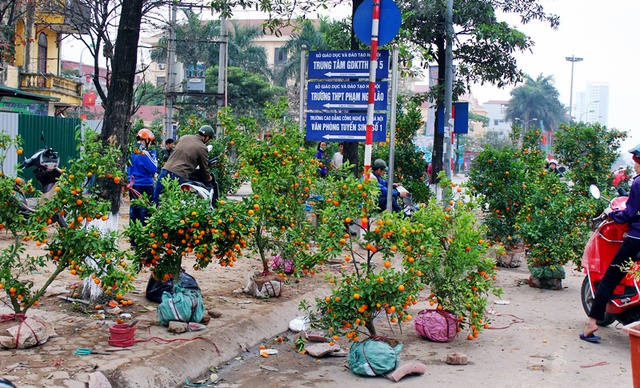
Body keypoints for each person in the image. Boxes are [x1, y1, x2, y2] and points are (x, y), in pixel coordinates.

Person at [581, 144, 640, 342]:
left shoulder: (638, 183)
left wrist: (612, 214)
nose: (634, 165)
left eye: (635, 160)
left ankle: (591, 324)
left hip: (635, 240)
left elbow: (629, 214)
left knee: (609, 278)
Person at [152, 125, 214, 203]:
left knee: (156, 198)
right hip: (179, 174)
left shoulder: (184, 138)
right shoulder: (202, 148)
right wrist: (209, 178)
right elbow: (204, 168)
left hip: (166, 169)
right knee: (176, 202)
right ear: (207, 137)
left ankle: (152, 214)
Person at [128, 128, 157, 227]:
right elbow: (154, 168)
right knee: (145, 212)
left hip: (133, 185)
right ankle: (142, 237)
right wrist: (154, 156)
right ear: (147, 140)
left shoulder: (131, 151)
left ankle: (133, 238)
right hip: (145, 185)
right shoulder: (144, 153)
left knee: (134, 211)